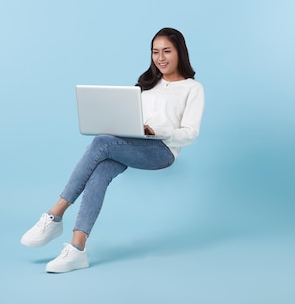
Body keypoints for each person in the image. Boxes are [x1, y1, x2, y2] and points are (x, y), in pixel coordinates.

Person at [20, 27, 205, 273]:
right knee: (102, 170)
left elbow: (190, 132)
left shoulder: (193, 88)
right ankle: (77, 248)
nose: (160, 58)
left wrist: (157, 130)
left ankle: (55, 214)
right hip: (131, 142)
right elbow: (131, 117)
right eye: (155, 52)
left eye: (167, 51)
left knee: (101, 142)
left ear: (180, 52)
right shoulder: (147, 84)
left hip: (162, 150)